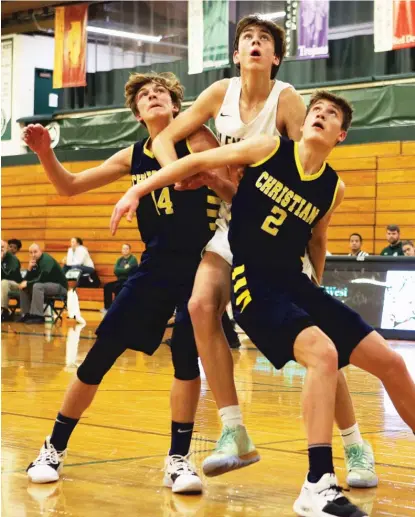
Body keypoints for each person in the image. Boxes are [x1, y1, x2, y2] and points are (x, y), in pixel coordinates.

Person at [112, 90, 415, 517]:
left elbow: (317, 239)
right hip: (254, 282)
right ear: (304, 120)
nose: (320, 117)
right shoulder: (271, 147)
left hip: (298, 282)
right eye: (316, 111)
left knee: (392, 363)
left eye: (330, 115)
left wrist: (316, 285)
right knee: (323, 353)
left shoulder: (333, 188)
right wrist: (138, 190)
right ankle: (317, 484)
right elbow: (196, 161)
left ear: (341, 135)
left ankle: (334, 464)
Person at [134, 15, 377, 487]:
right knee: (201, 304)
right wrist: (179, 173)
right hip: (231, 224)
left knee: (320, 347)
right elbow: (164, 139)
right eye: (247, 39)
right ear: (236, 53)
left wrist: (315, 267)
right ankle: (234, 431)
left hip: (276, 235)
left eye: (264, 40)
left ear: (276, 56)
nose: (255, 45)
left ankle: (353, 442)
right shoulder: (216, 96)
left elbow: (308, 168)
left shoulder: (288, 101)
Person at [23, 71, 234, 493]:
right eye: (144, 95)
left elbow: (233, 191)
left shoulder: (198, 141)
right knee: (101, 354)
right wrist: (46, 152)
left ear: (177, 106)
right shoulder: (132, 155)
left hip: (201, 266)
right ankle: (53, 446)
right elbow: (69, 186)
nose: (152, 97)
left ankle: (178, 459)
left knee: (186, 361)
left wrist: (210, 180)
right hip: (155, 267)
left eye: (161, 93)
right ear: (137, 113)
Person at [17, 244, 68, 324]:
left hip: (60, 287)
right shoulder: (34, 262)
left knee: (37, 286)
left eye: (35, 252)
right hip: (46, 285)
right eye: (30, 253)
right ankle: (26, 314)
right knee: (23, 287)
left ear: (41, 251)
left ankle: (38, 316)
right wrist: (29, 269)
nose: (33, 255)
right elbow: (26, 281)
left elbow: (43, 278)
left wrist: (27, 283)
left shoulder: (46, 260)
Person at [103, 243, 138, 311]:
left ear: (130, 250)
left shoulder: (133, 259)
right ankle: (108, 308)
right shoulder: (119, 259)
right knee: (107, 286)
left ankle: (118, 308)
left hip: (129, 280)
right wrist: (123, 270)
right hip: (120, 280)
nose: (124, 250)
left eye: (126, 249)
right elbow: (116, 271)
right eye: (123, 249)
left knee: (118, 287)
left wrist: (122, 270)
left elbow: (127, 271)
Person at [1, 240, 22, 322]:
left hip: (16, 284)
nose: (12, 249)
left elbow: (8, 275)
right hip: (4, 284)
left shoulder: (13, 259)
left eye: (15, 248)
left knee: (4, 282)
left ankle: (4, 310)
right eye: (10, 246)